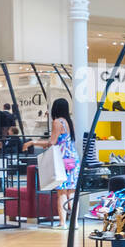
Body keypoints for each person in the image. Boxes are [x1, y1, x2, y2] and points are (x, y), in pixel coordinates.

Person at [21, 97, 78, 227]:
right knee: (72, 192)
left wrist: (32, 142)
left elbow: (51, 142)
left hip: (62, 159)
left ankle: (62, 223)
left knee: (62, 192)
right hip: (73, 159)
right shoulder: (70, 122)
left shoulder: (57, 122)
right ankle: (74, 223)